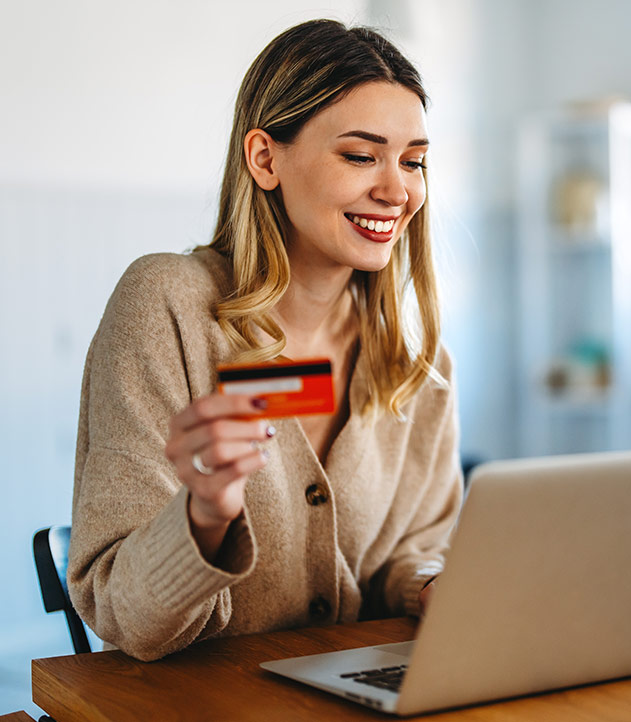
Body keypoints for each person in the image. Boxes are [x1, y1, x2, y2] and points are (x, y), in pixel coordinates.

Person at [67, 18, 463, 662]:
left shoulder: (414, 363)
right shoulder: (166, 305)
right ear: (264, 158)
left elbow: (415, 551)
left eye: (414, 161)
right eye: (361, 156)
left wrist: (432, 584)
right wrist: (204, 517)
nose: (397, 190)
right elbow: (124, 617)